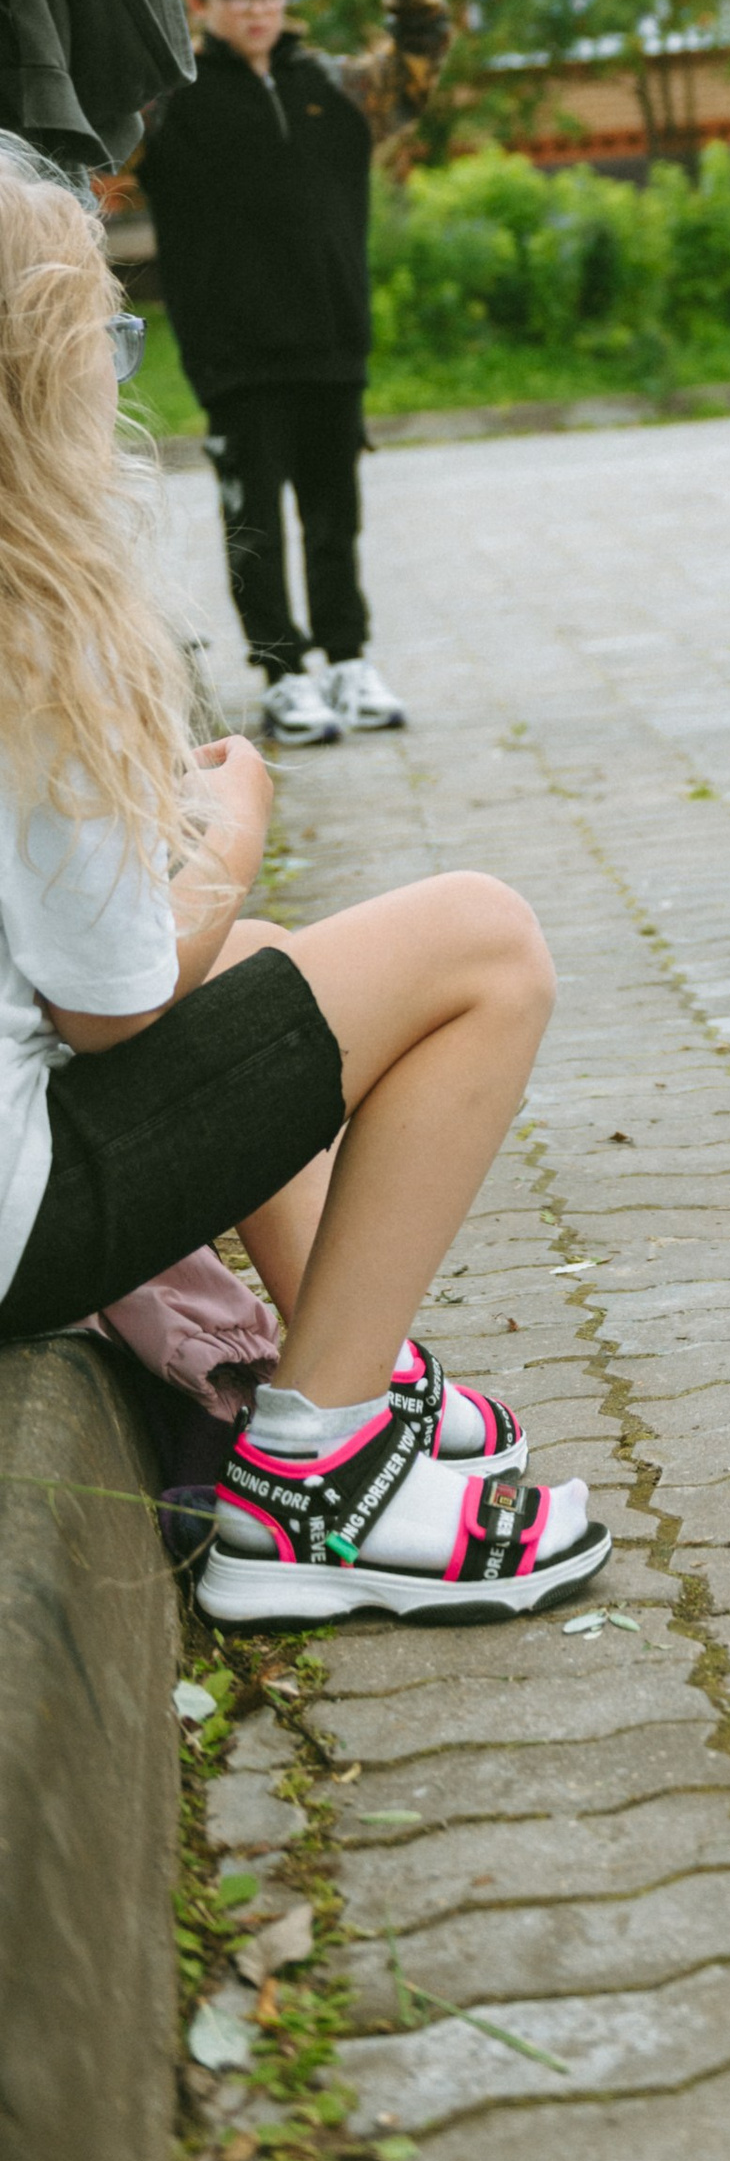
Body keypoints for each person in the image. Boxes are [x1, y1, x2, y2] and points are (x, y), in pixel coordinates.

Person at [0, 135, 602, 1623]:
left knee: (266, 961)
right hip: (19, 1220)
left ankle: (358, 1369)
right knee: (483, 944)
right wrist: (227, 827)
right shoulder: (34, 621)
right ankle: (315, 1485)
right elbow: (117, 1013)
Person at [139, 0, 453, 747]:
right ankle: (284, 677)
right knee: (255, 521)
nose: (257, 10)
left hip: (331, 341)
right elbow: (92, 136)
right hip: (234, 355)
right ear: (199, 3)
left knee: (333, 513)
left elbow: (417, 66)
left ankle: (349, 664)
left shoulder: (337, 88)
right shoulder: (168, 106)